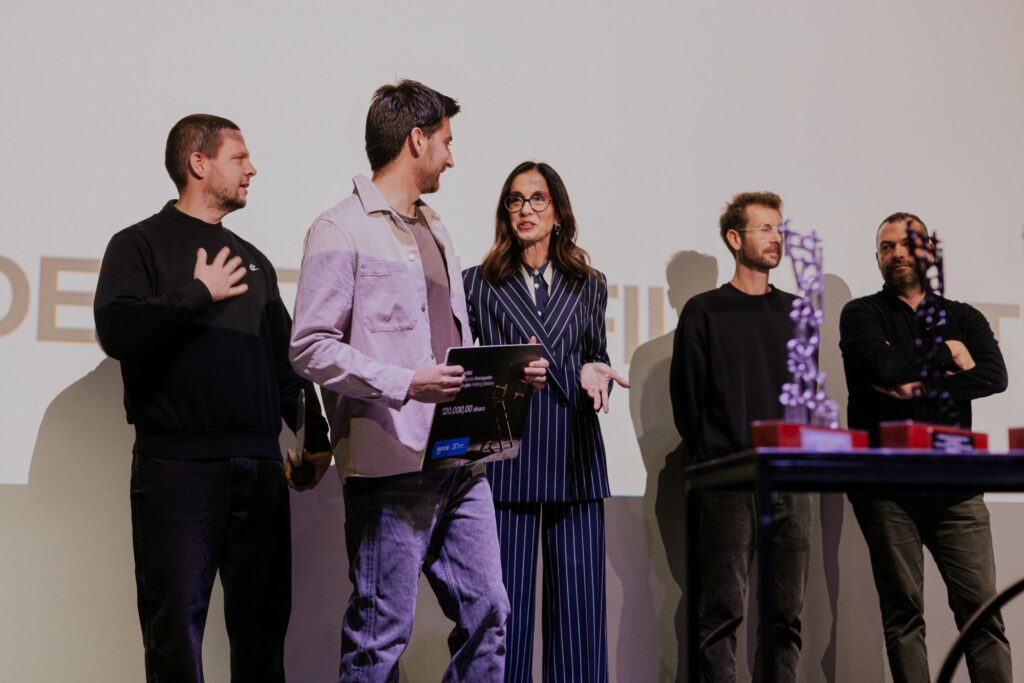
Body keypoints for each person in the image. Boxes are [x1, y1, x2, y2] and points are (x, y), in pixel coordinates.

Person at [289, 80, 546, 682]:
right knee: (381, 634)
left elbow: (443, 341)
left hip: (458, 456)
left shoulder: (435, 227)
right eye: (446, 142)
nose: (451, 158)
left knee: (491, 614)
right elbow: (309, 346)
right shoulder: (340, 229)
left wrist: (508, 376)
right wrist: (406, 382)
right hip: (391, 464)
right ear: (416, 139)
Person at [94, 114, 332, 683]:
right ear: (198, 164)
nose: (252, 169)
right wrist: (198, 292)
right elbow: (117, 329)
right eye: (238, 157)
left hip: (259, 472)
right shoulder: (138, 244)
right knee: (175, 634)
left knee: (262, 637)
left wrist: (316, 436)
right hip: (177, 472)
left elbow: (286, 364)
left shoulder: (255, 261)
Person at [462, 161, 628, 682]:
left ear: (558, 211)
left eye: (537, 198)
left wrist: (592, 373)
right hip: (505, 456)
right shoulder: (478, 284)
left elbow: (594, 360)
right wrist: (512, 372)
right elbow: (463, 371)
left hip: (574, 454)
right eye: (515, 199)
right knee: (502, 614)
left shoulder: (589, 284)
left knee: (580, 615)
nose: (525, 209)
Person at [839, 212, 1011, 683]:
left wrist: (919, 385)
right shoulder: (861, 314)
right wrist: (950, 353)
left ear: (928, 251)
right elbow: (882, 366)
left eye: (906, 244)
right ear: (877, 257)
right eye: (886, 247)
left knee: (982, 614)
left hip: (958, 488)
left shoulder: (964, 316)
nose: (896, 253)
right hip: (887, 489)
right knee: (903, 615)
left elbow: (994, 376)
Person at [670, 191, 811, 682]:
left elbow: (808, 397)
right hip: (727, 481)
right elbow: (688, 403)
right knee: (721, 613)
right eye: (764, 228)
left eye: (779, 229)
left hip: (789, 481)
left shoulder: (797, 313)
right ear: (735, 238)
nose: (777, 238)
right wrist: (718, 457)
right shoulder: (703, 312)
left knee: (785, 617)